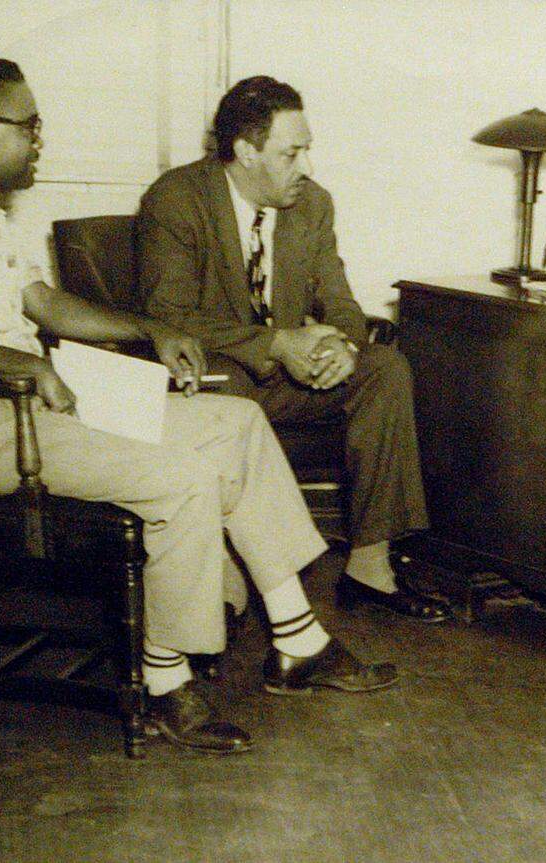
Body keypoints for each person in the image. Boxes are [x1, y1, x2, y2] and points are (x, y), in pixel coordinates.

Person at [0, 54, 397, 756]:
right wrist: (21, 363)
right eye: (28, 124)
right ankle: (163, 682)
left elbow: (40, 301)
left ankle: (297, 638)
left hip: (32, 406)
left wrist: (151, 328)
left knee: (237, 423)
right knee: (181, 475)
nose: (40, 138)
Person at [137, 76, 447, 624]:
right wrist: (278, 343)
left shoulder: (313, 205)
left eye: (307, 149)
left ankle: (370, 566)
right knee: (226, 395)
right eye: (291, 152)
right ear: (245, 152)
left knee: (385, 369)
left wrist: (343, 345)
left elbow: (340, 299)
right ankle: (227, 582)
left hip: (288, 382)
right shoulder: (177, 198)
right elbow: (169, 317)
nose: (307, 167)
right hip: (222, 375)